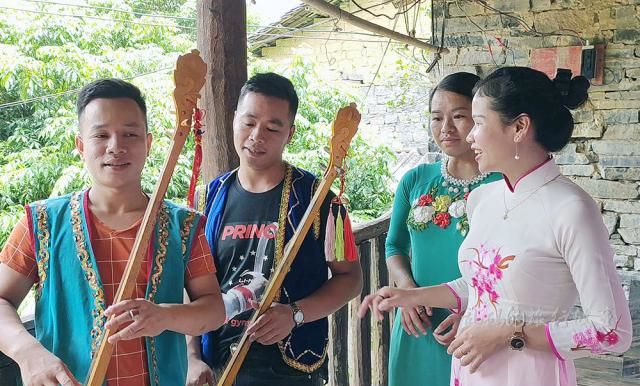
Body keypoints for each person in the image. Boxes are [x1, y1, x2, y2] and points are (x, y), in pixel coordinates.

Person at [360, 66, 632, 386]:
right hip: (471, 371)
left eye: (477, 123)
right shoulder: (483, 199)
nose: (470, 136)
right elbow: (482, 287)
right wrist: (410, 296)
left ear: (519, 127)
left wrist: (512, 335)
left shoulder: (571, 209)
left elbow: (612, 332)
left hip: (529, 375)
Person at [0, 79, 225, 386]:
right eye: (101, 135)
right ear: (81, 146)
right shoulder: (41, 222)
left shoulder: (184, 225)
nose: (116, 146)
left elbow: (213, 311)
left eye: (130, 134)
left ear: (148, 143)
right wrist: (28, 352)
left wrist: (165, 316)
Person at [186, 72, 363, 386]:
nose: (257, 136)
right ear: (233, 119)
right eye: (249, 122)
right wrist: (192, 358)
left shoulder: (321, 201)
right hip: (218, 368)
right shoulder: (207, 200)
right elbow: (193, 288)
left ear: (290, 134)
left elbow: (350, 279)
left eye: (272, 127)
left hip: (291, 371)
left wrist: (295, 314)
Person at [385, 72, 501, 386]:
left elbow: (511, 266)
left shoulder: (502, 184)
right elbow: (394, 246)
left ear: (479, 119)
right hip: (416, 323)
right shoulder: (415, 179)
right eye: (437, 118)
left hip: (474, 325)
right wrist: (407, 291)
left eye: (459, 116)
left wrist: (473, 310)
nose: (445, 128)